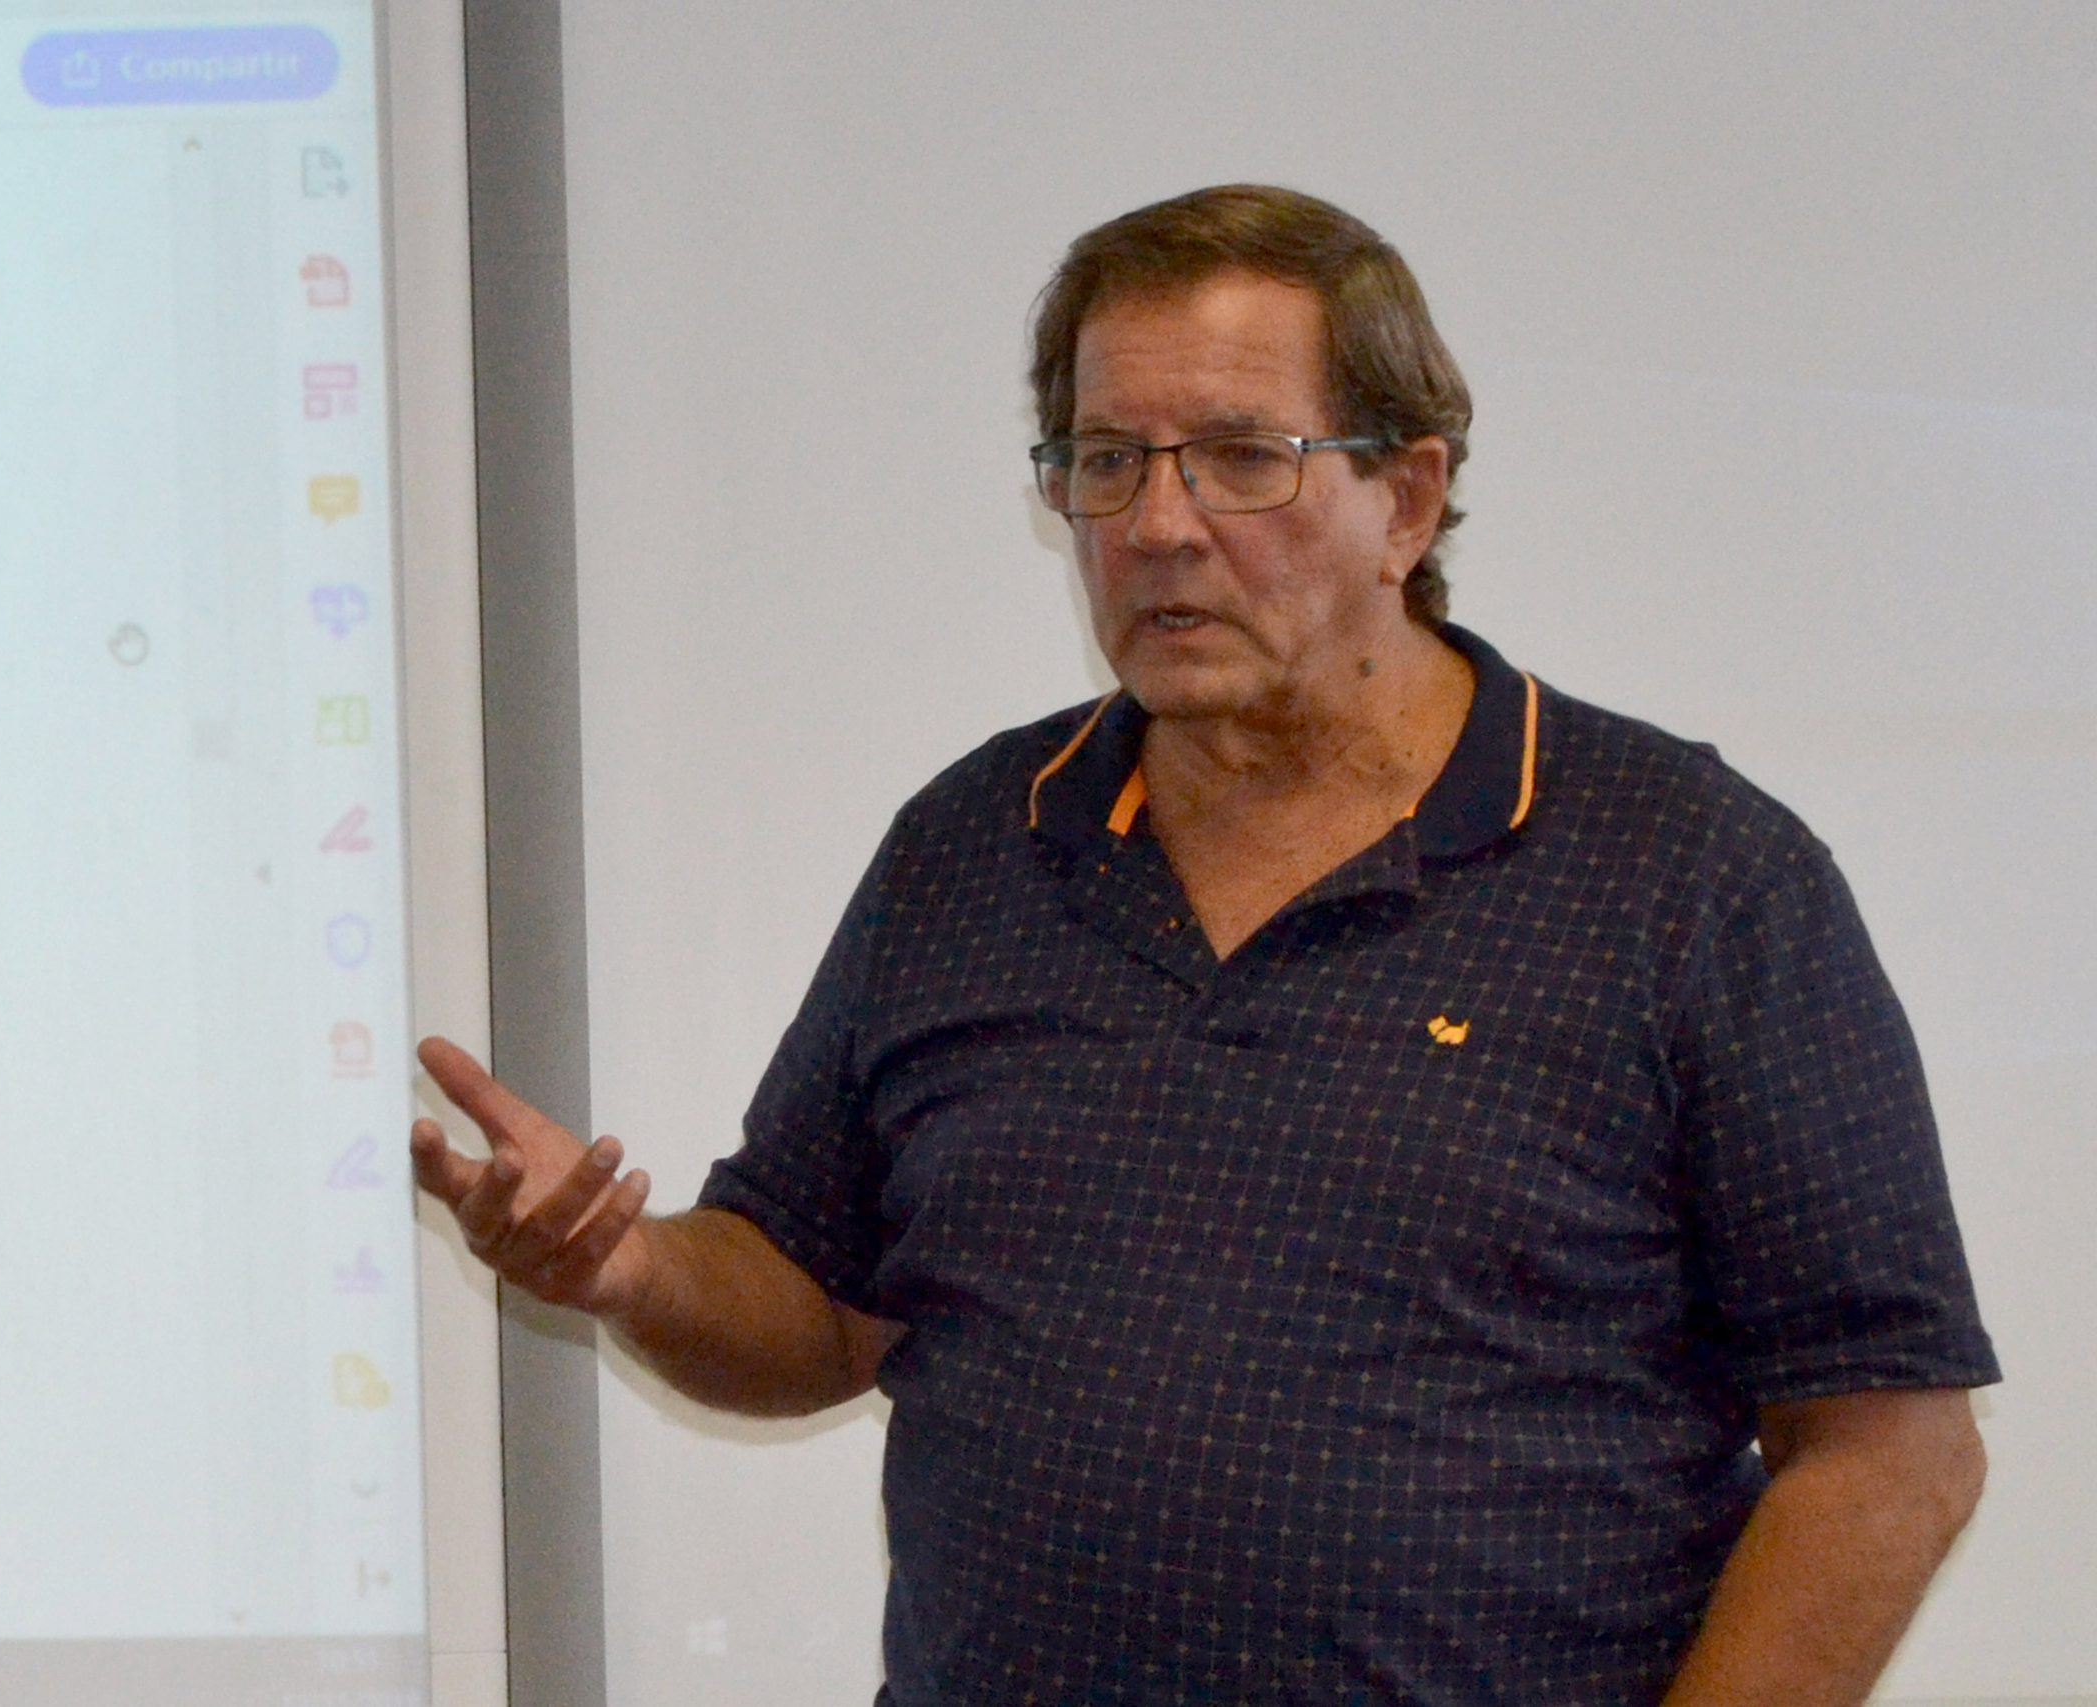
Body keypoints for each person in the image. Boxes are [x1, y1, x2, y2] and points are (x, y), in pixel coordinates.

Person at [410, 184, 1999, 1705]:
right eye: (1108, 461)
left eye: (1243, 458)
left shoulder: (1686, 876)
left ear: (1407, 500)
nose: (1160, 525)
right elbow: (815, 1309)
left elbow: (1889, 1457)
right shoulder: (978, 844)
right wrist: (632, 1270)